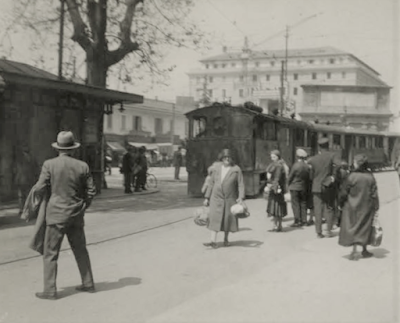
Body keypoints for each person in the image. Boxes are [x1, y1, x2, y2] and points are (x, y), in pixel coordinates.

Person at [33, 131, 96, 300]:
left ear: (58, 149)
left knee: (51, 253)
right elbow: (91, 191)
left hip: (56, 215)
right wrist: (82, 206)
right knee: (80, 249)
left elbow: (39, 187)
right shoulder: (83, 166)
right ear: (73, 149)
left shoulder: (49, 164)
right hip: (76, 214)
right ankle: (88, 283)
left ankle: (50, 290)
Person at [338, 154, 379, 260]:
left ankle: (354, 251)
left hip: (351, 206)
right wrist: (376, 207)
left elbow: (343, 192)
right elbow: (374, 194)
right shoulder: (370, 177)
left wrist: (340, 203)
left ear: (357, 164)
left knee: (352, 227)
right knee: (365, 228)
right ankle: (364, 250)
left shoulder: (351, 176)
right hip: (366, 207)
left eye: (355, 162)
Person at [203, 149, 245, 248]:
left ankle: (226, 239)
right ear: (221, 158)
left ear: (232, 158)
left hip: (229, 198)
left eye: (228, 157)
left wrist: (241, 197)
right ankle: (213, 241)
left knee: (227, 219)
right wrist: (207, 197)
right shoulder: (217, 168)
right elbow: (211, 183)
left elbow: (241, 184)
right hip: (216, 198)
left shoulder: (236, 169)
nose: (227, 159)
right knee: (214, 218)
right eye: (225, 157)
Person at [308, 137, 339, 238]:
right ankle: (328, 231)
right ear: (328, 145)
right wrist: (333, 176)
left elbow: (311, 176)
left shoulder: (313, 159)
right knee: (329, 208)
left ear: (319, 147)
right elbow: (339, 165)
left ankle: (318, 232)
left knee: (317, 209)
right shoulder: (332, 156)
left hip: (316, 187)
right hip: (328, 186)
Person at [265, 150, 287, 232]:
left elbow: (277, 178)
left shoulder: (278, 165)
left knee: (276, 208)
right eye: (271, 156)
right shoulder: (279, 164)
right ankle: (278, 225)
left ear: (277, 157)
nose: (272, 158)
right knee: (278, 208)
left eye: (274, 156)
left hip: (276, 189)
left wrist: (273, 186)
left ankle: (277, 225)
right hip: (278, 188)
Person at [287, 149, 310, 227]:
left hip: (295, 187)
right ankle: (304, 220)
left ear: (297, 156)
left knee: (295, 204)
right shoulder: (307, 166)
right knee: (303, 203)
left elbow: (290, 176)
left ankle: (297, 220)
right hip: (304, 187)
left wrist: (287, 184)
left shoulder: (296, 165)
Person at [15, 147, 38, 216]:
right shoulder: (21, 162)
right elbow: (18, 171)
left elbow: (35, 171)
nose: (26, 154)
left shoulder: (32, 161)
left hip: (28, 180)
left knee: (27, 195)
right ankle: (22, 209)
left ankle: (27, 209)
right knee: (22, 196)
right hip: (23, 180)